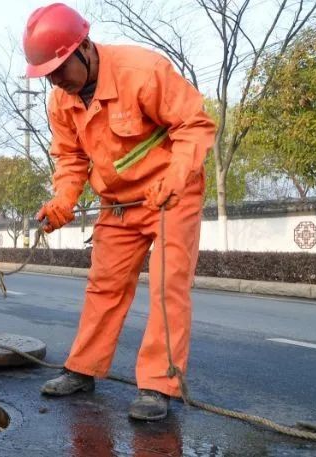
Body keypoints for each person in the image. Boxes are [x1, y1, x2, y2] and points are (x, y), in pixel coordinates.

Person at [22, 3, 216, 421]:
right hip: (119, 203)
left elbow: (195, 126)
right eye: (48, 74)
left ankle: (158, 385)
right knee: (104, 285)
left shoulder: (142, 71)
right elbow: (71, 160)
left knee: (168, 287)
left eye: (59, 68)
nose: (55, 79)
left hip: (170, 195)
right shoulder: (61, 102)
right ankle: (83, 368)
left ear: (85, 48)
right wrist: (61, 204)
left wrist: (177, 176)